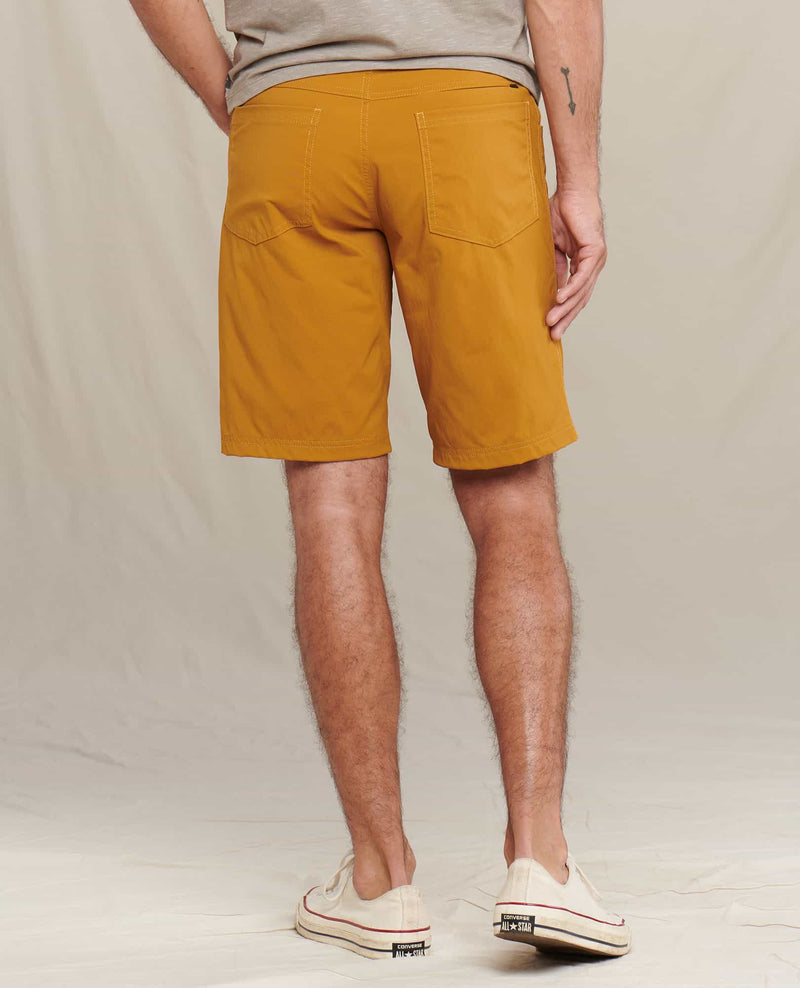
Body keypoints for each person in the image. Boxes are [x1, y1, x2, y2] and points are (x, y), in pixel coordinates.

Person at [128, 0, 631, 961]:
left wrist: (239, 92)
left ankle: (379, 882)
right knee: (512, 491)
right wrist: (580, 179)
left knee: (331, 503)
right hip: (468, 113)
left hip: (292, 121)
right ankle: (543, 864)